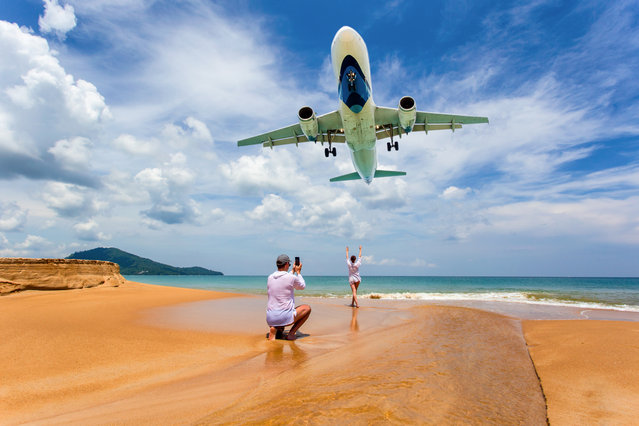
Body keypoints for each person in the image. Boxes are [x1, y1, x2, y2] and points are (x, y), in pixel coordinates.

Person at [266, 254, 311, 341]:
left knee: (280, 311)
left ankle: (274, 328)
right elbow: (302, 286)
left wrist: (292, 271)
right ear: (287, 264)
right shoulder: (291, 277)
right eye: (289, 265)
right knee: (307, 308)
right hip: (284, 316)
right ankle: (291, 334)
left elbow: (284, 278)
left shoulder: (270, 277)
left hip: (270, 318)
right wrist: (298, 273)